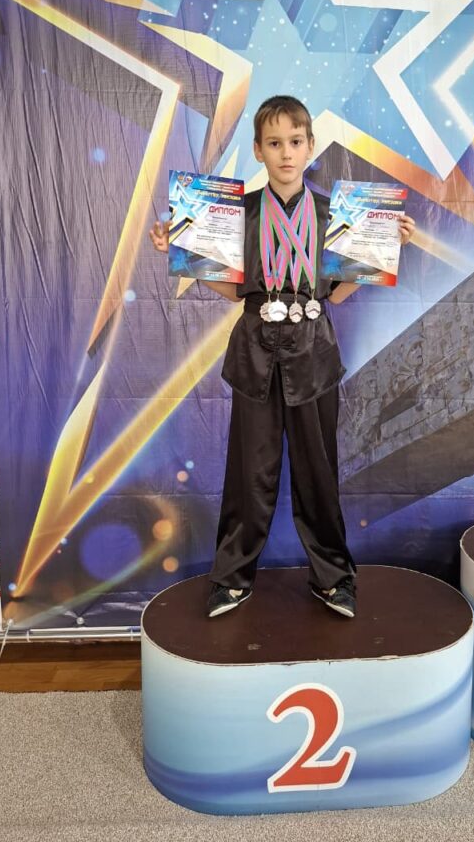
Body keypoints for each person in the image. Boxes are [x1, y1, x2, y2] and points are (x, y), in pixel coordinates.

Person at [149, 96, 415, 618]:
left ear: (310, 146)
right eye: (274, 144)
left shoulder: (337, 216)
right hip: (255, 353)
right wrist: (181, 252)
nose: (286, 153)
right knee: (249, 473)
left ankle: (333, 579)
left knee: (318, 472)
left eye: (295, 142)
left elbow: (337, 294)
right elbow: (235, 292)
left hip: (314, 354)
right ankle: (231, 578)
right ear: (258, 150)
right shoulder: (237, 215)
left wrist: (384, 250)